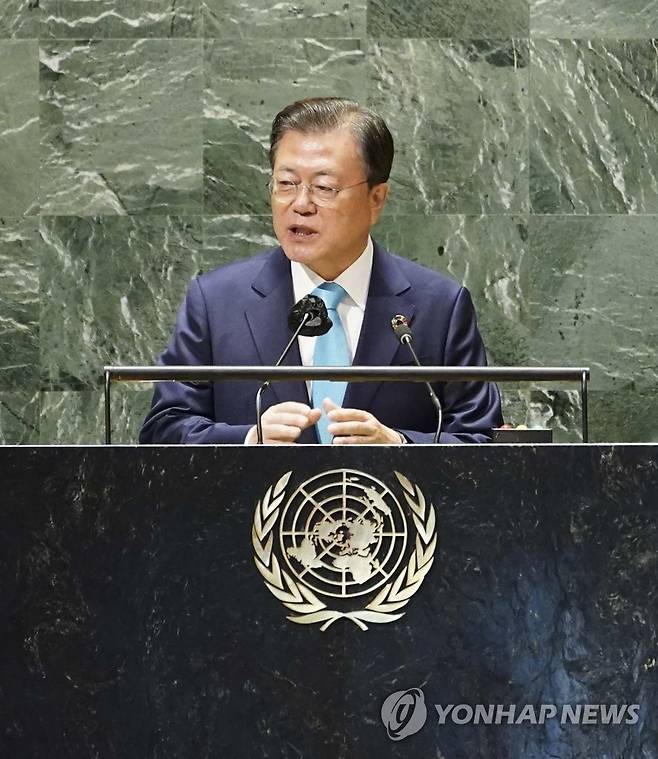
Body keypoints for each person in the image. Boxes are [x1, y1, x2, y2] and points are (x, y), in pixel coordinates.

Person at [139, 97, 502, 445]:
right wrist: (248, 440)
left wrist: (398, 443)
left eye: (324, 188)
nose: (300, 204)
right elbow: (164, 428)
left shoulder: (440, 307)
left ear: (376, 199)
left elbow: (484, 439)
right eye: (286, 184)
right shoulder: (217, 302)